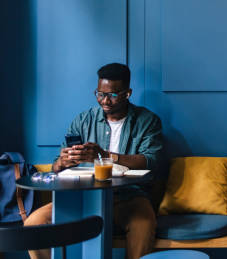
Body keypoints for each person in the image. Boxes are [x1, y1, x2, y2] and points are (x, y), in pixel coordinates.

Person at [25, 63, 163, 259]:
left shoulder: (148, 121)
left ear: (127, 93)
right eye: (100, 94)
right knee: (34, 224)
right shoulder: (83, 120)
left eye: (113, 95)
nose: (105, 101)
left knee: (143, 224)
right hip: (82, 197)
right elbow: (57, 164)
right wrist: (63, 162)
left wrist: (105, 155)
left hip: (129, 197)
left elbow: (151, 161)